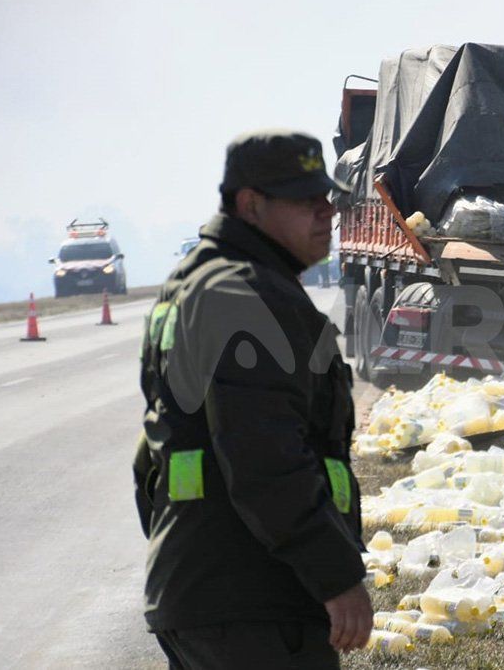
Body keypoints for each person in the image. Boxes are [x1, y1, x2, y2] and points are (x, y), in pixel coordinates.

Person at [133, 130, 372, 669]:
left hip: (213, 592)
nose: (326, 213)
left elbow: (150, 455)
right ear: (250, 205)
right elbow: (264, 455)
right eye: (304, 200)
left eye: (326, 198)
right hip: (255, 604)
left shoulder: (196, 283)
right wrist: (336, 578)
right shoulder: (242, 294)